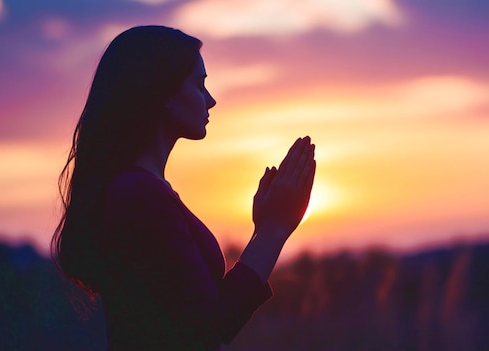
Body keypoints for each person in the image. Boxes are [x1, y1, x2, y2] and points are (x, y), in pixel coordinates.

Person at [50, 25, 316, 350]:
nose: (211, 100)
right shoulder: (139, 196)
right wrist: (275, 229)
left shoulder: (142, 191)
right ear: (162, 92)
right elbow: (208, 325)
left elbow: (191, 314)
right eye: (199, 84)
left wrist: (262, 231)